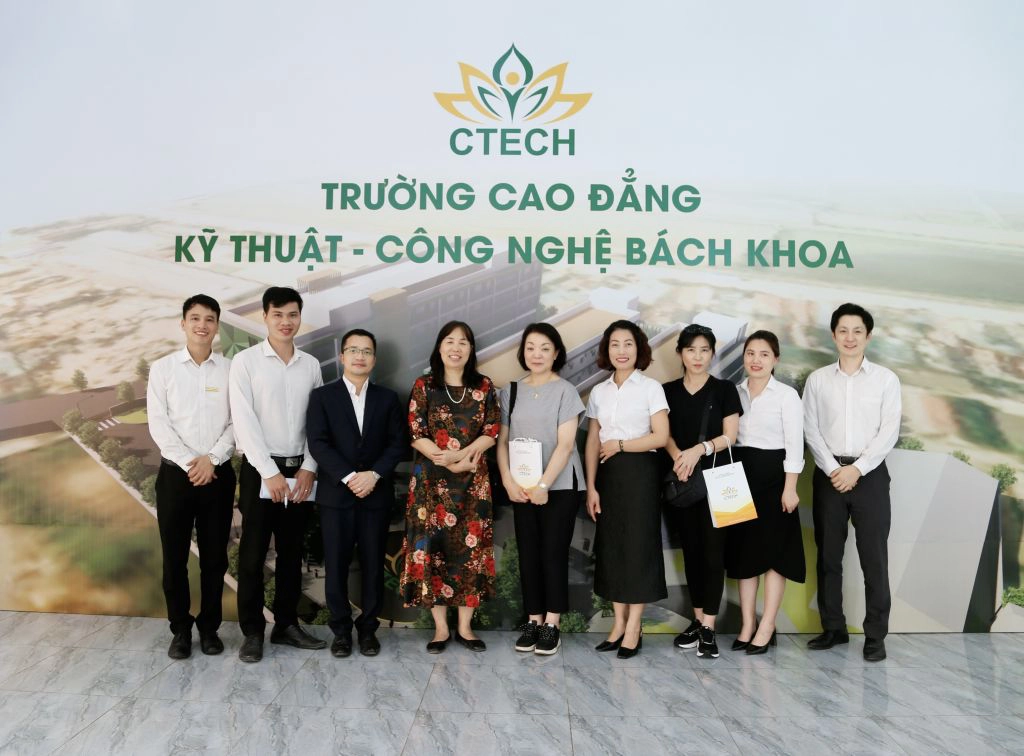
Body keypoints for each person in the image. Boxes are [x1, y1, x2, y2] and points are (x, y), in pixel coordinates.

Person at [229, 286, 326, 662]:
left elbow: (317, 423)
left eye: (293, 314)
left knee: (291, 553)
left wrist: (309, 467)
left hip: (300, 472)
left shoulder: (311, 365)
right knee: (253, 555)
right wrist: (268, 471)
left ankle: (286, 625)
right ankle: (253, 632)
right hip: (260, 471)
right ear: (265, 317)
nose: (286, 322)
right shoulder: (246, 362)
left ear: (300, 317)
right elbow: (243, 421)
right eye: (278, 314)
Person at [803, 303, 901, 662]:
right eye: (843, 330)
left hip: (870, 476)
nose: (850, 337)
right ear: (833, 335)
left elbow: (889, 431)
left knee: (873, 558)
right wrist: (834, 468)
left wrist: (857, 469)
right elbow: (810, 428)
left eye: (857, 330)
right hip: (829, 474)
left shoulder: (886, 379)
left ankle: (875, 635)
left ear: (868, 336)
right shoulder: (818, 380)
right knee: (828, 556)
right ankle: (833, 628)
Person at [398, 321, 500, 653]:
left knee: (470, 553)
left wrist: (462, 456)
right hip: (431, 483)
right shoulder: (424, 385)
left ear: (471, 350)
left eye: (463, 342)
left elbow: (492, 430)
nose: (456, 348)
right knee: (434, 550)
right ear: (440, 347)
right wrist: (445, 459)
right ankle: (441, 629)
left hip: (473, 481)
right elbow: (416, 432)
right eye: (450, 341)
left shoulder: (484, 386)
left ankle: (465, 628)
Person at [306, 329, 406, 658]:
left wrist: (373, 475)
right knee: (335, 565)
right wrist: (350, 477)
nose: (360, 356)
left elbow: (397, 444)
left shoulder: (387, 398)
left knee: (373, 565)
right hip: (336, 496)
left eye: (366, 351)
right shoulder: (322, 397)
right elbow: (318, 443)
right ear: (342, 357)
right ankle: (340, 632)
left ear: (374, 359)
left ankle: (368, 631)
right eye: (353, 350)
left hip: (375, 495)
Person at [147, 294, 236, 659]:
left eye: (209, 319)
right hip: (175, 478)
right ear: (183, 323)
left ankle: (209, 628)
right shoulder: (163, 369)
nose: (202, 325)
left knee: (215, 559)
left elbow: (238, 421)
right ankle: (180, 630)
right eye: (195, 318)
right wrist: (191, 464)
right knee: (175, 559)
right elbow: (159, 425)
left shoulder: (231, 369)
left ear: (217, 326)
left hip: (218, 476)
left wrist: (211, 460)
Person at [496, 323, 585, 656]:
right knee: (528, 553)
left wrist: (544, 485)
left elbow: (566, 445)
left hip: (559, 486)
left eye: (545, 348)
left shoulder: (566, 391)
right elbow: (502, 441)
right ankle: (533, 620)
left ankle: (552, 624)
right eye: (531, 347)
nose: (537, 354)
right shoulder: (512, 391)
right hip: (521, 485)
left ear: (556, 353)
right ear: (523, 352)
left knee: (553, 552)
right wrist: (508, 480)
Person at [585, 320, 669, 659]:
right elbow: (593, 441)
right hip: (608, 475)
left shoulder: (651, 388)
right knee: (613, 549)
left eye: (628, 344)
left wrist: (621, 445)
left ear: (639, 349)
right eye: (615, 344)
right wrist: (591, 487)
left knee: (638, 548)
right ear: (607, 350)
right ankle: (618, 624)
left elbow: (660, 437)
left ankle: (634, 627)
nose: (622, 351)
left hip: (641, 473)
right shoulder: (599, 392)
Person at [663, 323, 741, 660]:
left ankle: (709, 626)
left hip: (718, 482)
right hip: (682, 482)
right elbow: (663, 433)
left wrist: (698, 450)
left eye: (704, 350)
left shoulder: (724, 389)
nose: (697, 356)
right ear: (680, 353)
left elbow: (730, 436)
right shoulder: (666, 391)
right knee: (692, 553)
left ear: (712, 353)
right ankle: (697, 622)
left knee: (713, 554)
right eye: (691, 349)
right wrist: (679, 458)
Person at [725, 331, 805, 654]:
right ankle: (747, 624)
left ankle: (768, 624)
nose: (756, 360)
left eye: (764, 354)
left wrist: (790, 488)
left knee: (775, 556)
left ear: (775, 359)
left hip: (776, 480)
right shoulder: (734, 392)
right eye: (750, 353)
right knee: (744, 555)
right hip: (739, 477)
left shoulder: (787, 396)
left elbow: (795, 445)